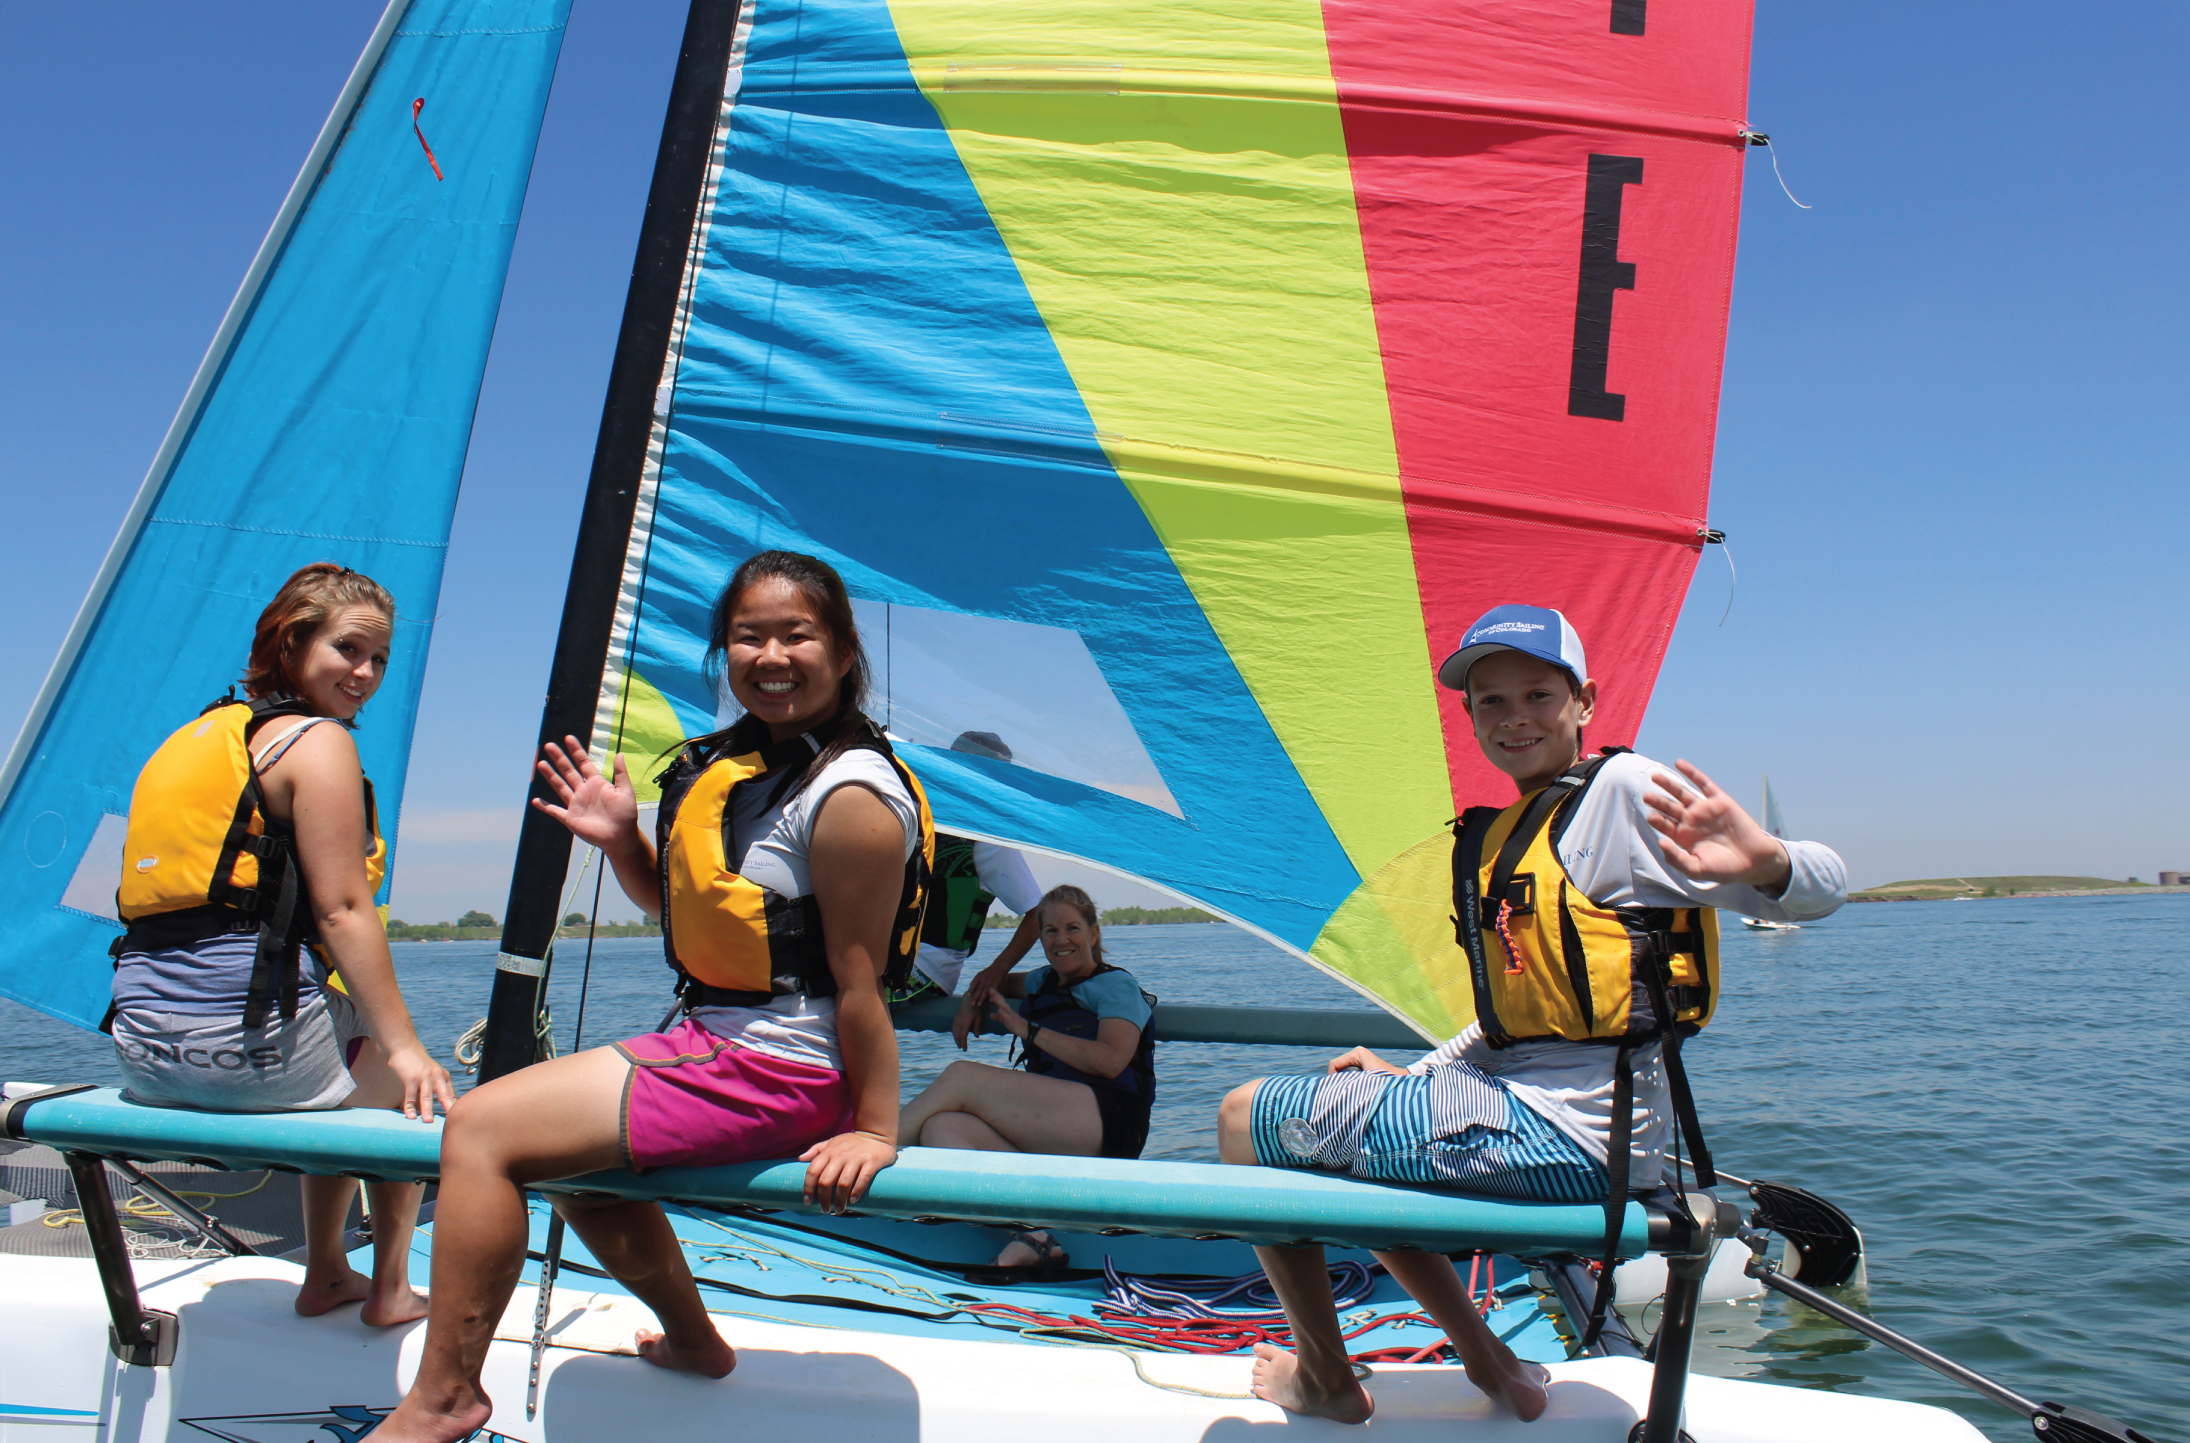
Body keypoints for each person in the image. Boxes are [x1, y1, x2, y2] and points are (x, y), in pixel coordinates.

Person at [1215, 603, 1846, 1425]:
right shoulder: (1525, 821)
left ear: (1583, 700)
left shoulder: (1616, 795)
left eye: (1538, 695)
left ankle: (1327, 1379)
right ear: (1471, 716)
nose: (1515, 718)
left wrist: (1769, 862)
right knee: (1346, 1135)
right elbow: (1517, 1022)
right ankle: (1492, 1362)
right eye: (1492, 701)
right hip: (1538, 1120)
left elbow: (1827, 883)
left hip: (1575, 1142)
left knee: (1241, 1119)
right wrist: (1420, 1077)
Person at [374, 551, 931, 1443]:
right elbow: (705, 915)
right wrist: (622, 840)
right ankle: (696, 1341)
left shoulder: (849, 792)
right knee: (574, 1168)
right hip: (729, 1042)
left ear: (843, 648)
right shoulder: (756, 765)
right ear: (725, 650)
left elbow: (857, 981)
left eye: (798, 633)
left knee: (480, 1127)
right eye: (749, 636)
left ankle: (446, 1396)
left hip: (782, 1065)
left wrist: (873, 1129)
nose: (772, 654)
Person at [108, 562, 453, 1325]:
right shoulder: (317, 742)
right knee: (405, 1089)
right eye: (348, 648)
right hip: (247, 1063)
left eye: (379, 658)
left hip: (142, 1052)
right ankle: (387, 1287)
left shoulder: (196, 736)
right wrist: (409, 1050)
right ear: (292, 643)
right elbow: (340, 908)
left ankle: (328, 1270)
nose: (365, 672)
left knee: (345, 1033)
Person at [899, 884, 1157, 1275]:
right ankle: (1036, 1236)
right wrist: (973, 999)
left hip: (1110, 1126)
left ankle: (867, 1154)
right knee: (942, 1129)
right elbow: (997, 981)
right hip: (1056, 1130)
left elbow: (1111, 1061)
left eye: (1072, 928)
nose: (1061, 940)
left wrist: (1027, 1030)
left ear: (1093, 933)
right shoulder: (1042, 982)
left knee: (962, 1077)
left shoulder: (1116, 986)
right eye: (1049, 931)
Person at [890, 731, 1045, 1007]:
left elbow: (1038, 913)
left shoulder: (990, 841)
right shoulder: (918, 815)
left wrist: (997, 969)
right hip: (883, 956)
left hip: (923, 972)